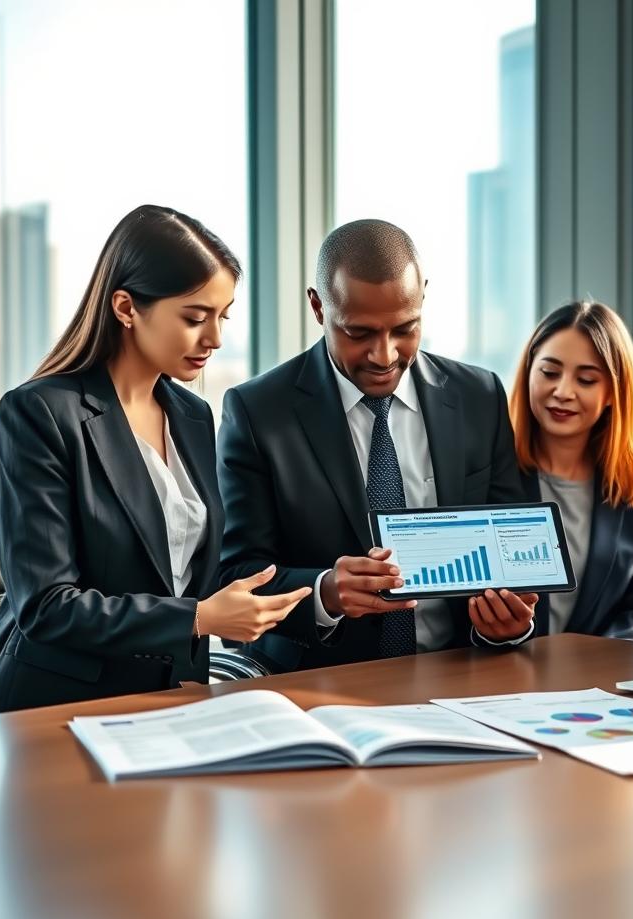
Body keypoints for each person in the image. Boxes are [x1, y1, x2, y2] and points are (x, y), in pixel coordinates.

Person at [0, 205, 309, 717]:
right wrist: (199, 618)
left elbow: (189, 575)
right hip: (55, 711)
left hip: (171, 704)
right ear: (125, 307)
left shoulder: (192, 415)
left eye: (222, 316)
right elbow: (47, 608)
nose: (214, 339)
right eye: (194, 317)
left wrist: (319, 585)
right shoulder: (38, 415)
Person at [216, 218, 537, 672]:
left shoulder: (478, 396)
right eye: (359, 333)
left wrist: (502, 626)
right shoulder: (257, 412)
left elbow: (513, 555)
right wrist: (325, 592)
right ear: (318, 308)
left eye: (404, 329)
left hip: (460, 681)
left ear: (422, 295)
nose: (385, 355)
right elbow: (235, 578)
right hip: (316, 687)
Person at [510, 301, 633, 640]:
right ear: (528, 373)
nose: (563, 392)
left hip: (596, 681)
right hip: (495, 673)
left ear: (613, 393)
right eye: (550, 373)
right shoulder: (487, 468)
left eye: (585, 380)